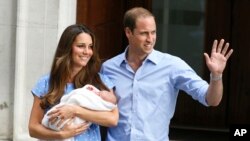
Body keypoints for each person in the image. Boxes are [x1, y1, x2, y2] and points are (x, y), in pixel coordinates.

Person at [100, 7, 233, 141]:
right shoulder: (109, 68)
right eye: (144, 33)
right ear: (128, 32)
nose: (150, 39)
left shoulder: (172, 65)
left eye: (153, 32)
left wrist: (216, 76)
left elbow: (211, 100)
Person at [28, 24, 118, 141]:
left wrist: (75, 111)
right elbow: (33, 128)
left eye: (90, 47)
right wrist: (61, 135)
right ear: (67, 48)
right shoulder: (46, 83)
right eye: (81, 46)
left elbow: (112, 119)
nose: (87, 52)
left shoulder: (100, 81)